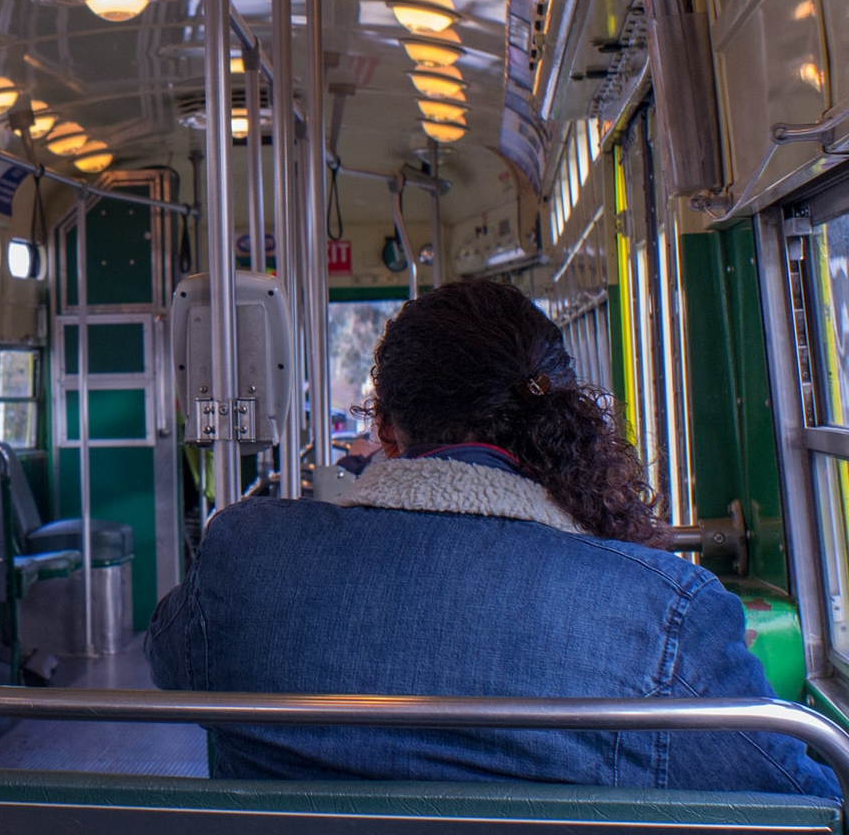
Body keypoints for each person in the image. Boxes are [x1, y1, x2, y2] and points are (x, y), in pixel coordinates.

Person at [148, 279, 839, 799]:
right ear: (558, 417)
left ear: (385, 428)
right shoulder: (666, 618)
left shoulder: (245, 559)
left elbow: (169, 660)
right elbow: (802, 805)